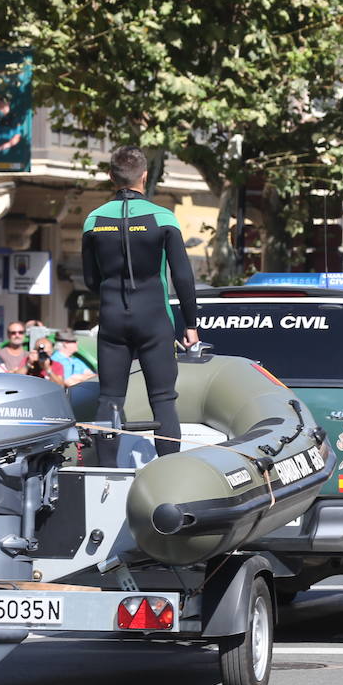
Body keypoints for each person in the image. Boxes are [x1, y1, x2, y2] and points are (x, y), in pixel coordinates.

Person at [81, 146, 199, 464]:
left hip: (112, 318)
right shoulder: (163, 217)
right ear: (145, 176)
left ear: (110, 177)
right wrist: (190, 324)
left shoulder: (93, 220)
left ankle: (104, 478)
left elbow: (90, 279)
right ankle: (169, 474)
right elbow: (184, 278)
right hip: (154, 319)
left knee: (109, 400)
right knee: (162, 399)